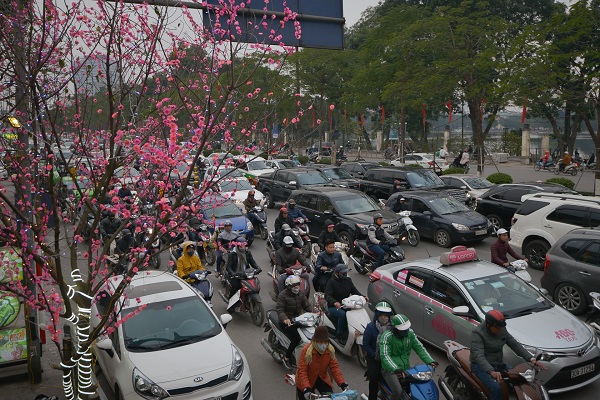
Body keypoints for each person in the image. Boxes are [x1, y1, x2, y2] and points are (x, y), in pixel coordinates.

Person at [470, 310, 546, 400]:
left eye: (501, 327)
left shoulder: (501, 329)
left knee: (519, 379)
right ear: (488, 324)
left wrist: (531, 359)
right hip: (480, 366)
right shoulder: (478, 333)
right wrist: (491, 371)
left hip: (498, 363)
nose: (500, 330)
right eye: (497, 327)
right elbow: (479, 356)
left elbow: (514, 344)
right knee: (496, 389)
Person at [380, 314, 438, 400]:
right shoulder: (387, 336)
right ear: (395, 329)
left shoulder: (410, 333)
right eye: (403, 330)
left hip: (406, 368)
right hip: (390, 370)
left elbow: (419, 348)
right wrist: (395, 369)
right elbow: (385, 355)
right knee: (398, 391)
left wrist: (430, 361)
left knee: (416, 385)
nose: (406, 332)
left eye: (406, 329)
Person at [296, 325, 349, 399]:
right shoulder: (306, 351)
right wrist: (306, 388)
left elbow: (335, 367)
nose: (323, 345)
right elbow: (302, 371)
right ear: (315, 341)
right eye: (321, 342)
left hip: (322, 378)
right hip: (306, 380)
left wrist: (342, 383)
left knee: (330, 397)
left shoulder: (330, 351)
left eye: (325, 342)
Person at [276, 275, 312, 369]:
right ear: (289, 286)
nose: (296, 288)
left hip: (298, 319)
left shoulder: (300, 293)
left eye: (298, 286)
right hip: (286, 322)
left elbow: (306, 305)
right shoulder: (282, 295)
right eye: (294, 286)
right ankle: (287, 357)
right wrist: (285, 319)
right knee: (297, 338)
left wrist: (314, 312)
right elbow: (280, 310)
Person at [325, 264, 367, 342]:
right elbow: (327, 296)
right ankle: (339, 334)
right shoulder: (331, 282)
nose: (345, 274)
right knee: (342, 314)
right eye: (343, 273)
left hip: (346, 304)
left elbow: (354, 291)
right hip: (334, 307)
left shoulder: (348, 280)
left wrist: (363, 297)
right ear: (337, 273)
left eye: (345, 273)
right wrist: (335, 302)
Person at [363, 302, 393, 400]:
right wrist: (375, 355)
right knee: (374, 377)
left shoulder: (393, 329)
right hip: (374, 358)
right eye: (381, 315)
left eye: (386, 315)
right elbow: (366, 344)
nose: (384, 317)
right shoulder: (370, 327)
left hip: (389, 357)